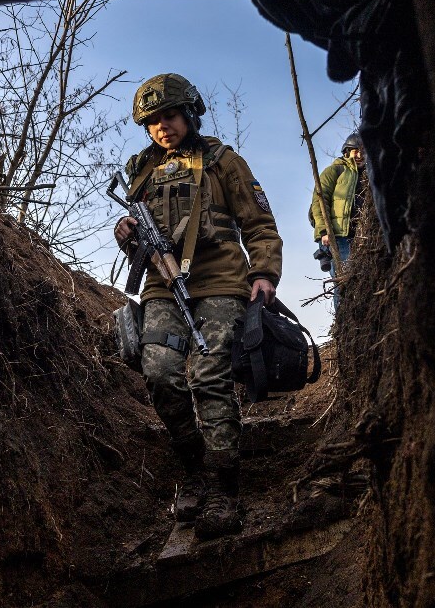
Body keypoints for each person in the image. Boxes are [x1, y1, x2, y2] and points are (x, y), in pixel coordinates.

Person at [114, 73, 283, 539]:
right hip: (162, 285)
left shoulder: (224, 162)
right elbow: (142, 235)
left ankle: (222, 486)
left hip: (221, 280)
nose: (162, 127)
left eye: (169, 115)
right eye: (152, 121)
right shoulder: (141, 170)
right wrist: (126, 234)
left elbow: (261, 225)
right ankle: (192, 470)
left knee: (210, 375)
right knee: (160, 372)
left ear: (189, 112)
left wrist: (264, 274)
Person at [309, 132, 365, 311]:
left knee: (362, 278)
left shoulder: (368, 174)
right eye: (355, 151)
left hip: (361, 236)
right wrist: (324, 231)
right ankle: (343, 320)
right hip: (339, 235)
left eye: (363, 152)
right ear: (347, 152)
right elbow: (319, 199)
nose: (359, 155)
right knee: (344, 279)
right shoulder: (336, 170)